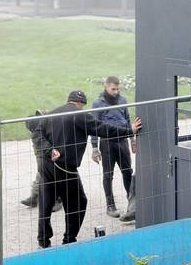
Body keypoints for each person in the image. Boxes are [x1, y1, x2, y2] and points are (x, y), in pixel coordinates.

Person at [33, 89, 142, 249]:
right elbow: (104, 129)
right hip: (64, 167)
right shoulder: (80, 115)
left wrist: (49, 150)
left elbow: (37, 135)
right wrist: (129, 131)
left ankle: (43, 240)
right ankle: (69, 239)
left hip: (45, 165)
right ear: (81, 104)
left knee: (46, 202)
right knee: (78, 202)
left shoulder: (52, 113)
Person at [91, 76, 135, 217]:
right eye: (113, 89)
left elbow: (128, 120)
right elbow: (94, 126)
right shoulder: (98, 103)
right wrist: (94, 147)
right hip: (107, 143)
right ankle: (110, 206)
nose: (116, 92)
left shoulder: (122, 101)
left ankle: (132, 204)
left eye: (117, 89)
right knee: (108, 174)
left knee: (127, 172)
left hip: (122, 141)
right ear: (106, 86)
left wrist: (132, 140)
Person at [21, 109, 61, 212]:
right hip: (45, 157)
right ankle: (34, 197)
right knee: (42, 174)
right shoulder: (37, 135)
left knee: (52, 176)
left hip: (55, 156)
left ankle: (56, 200)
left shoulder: (49, 128)